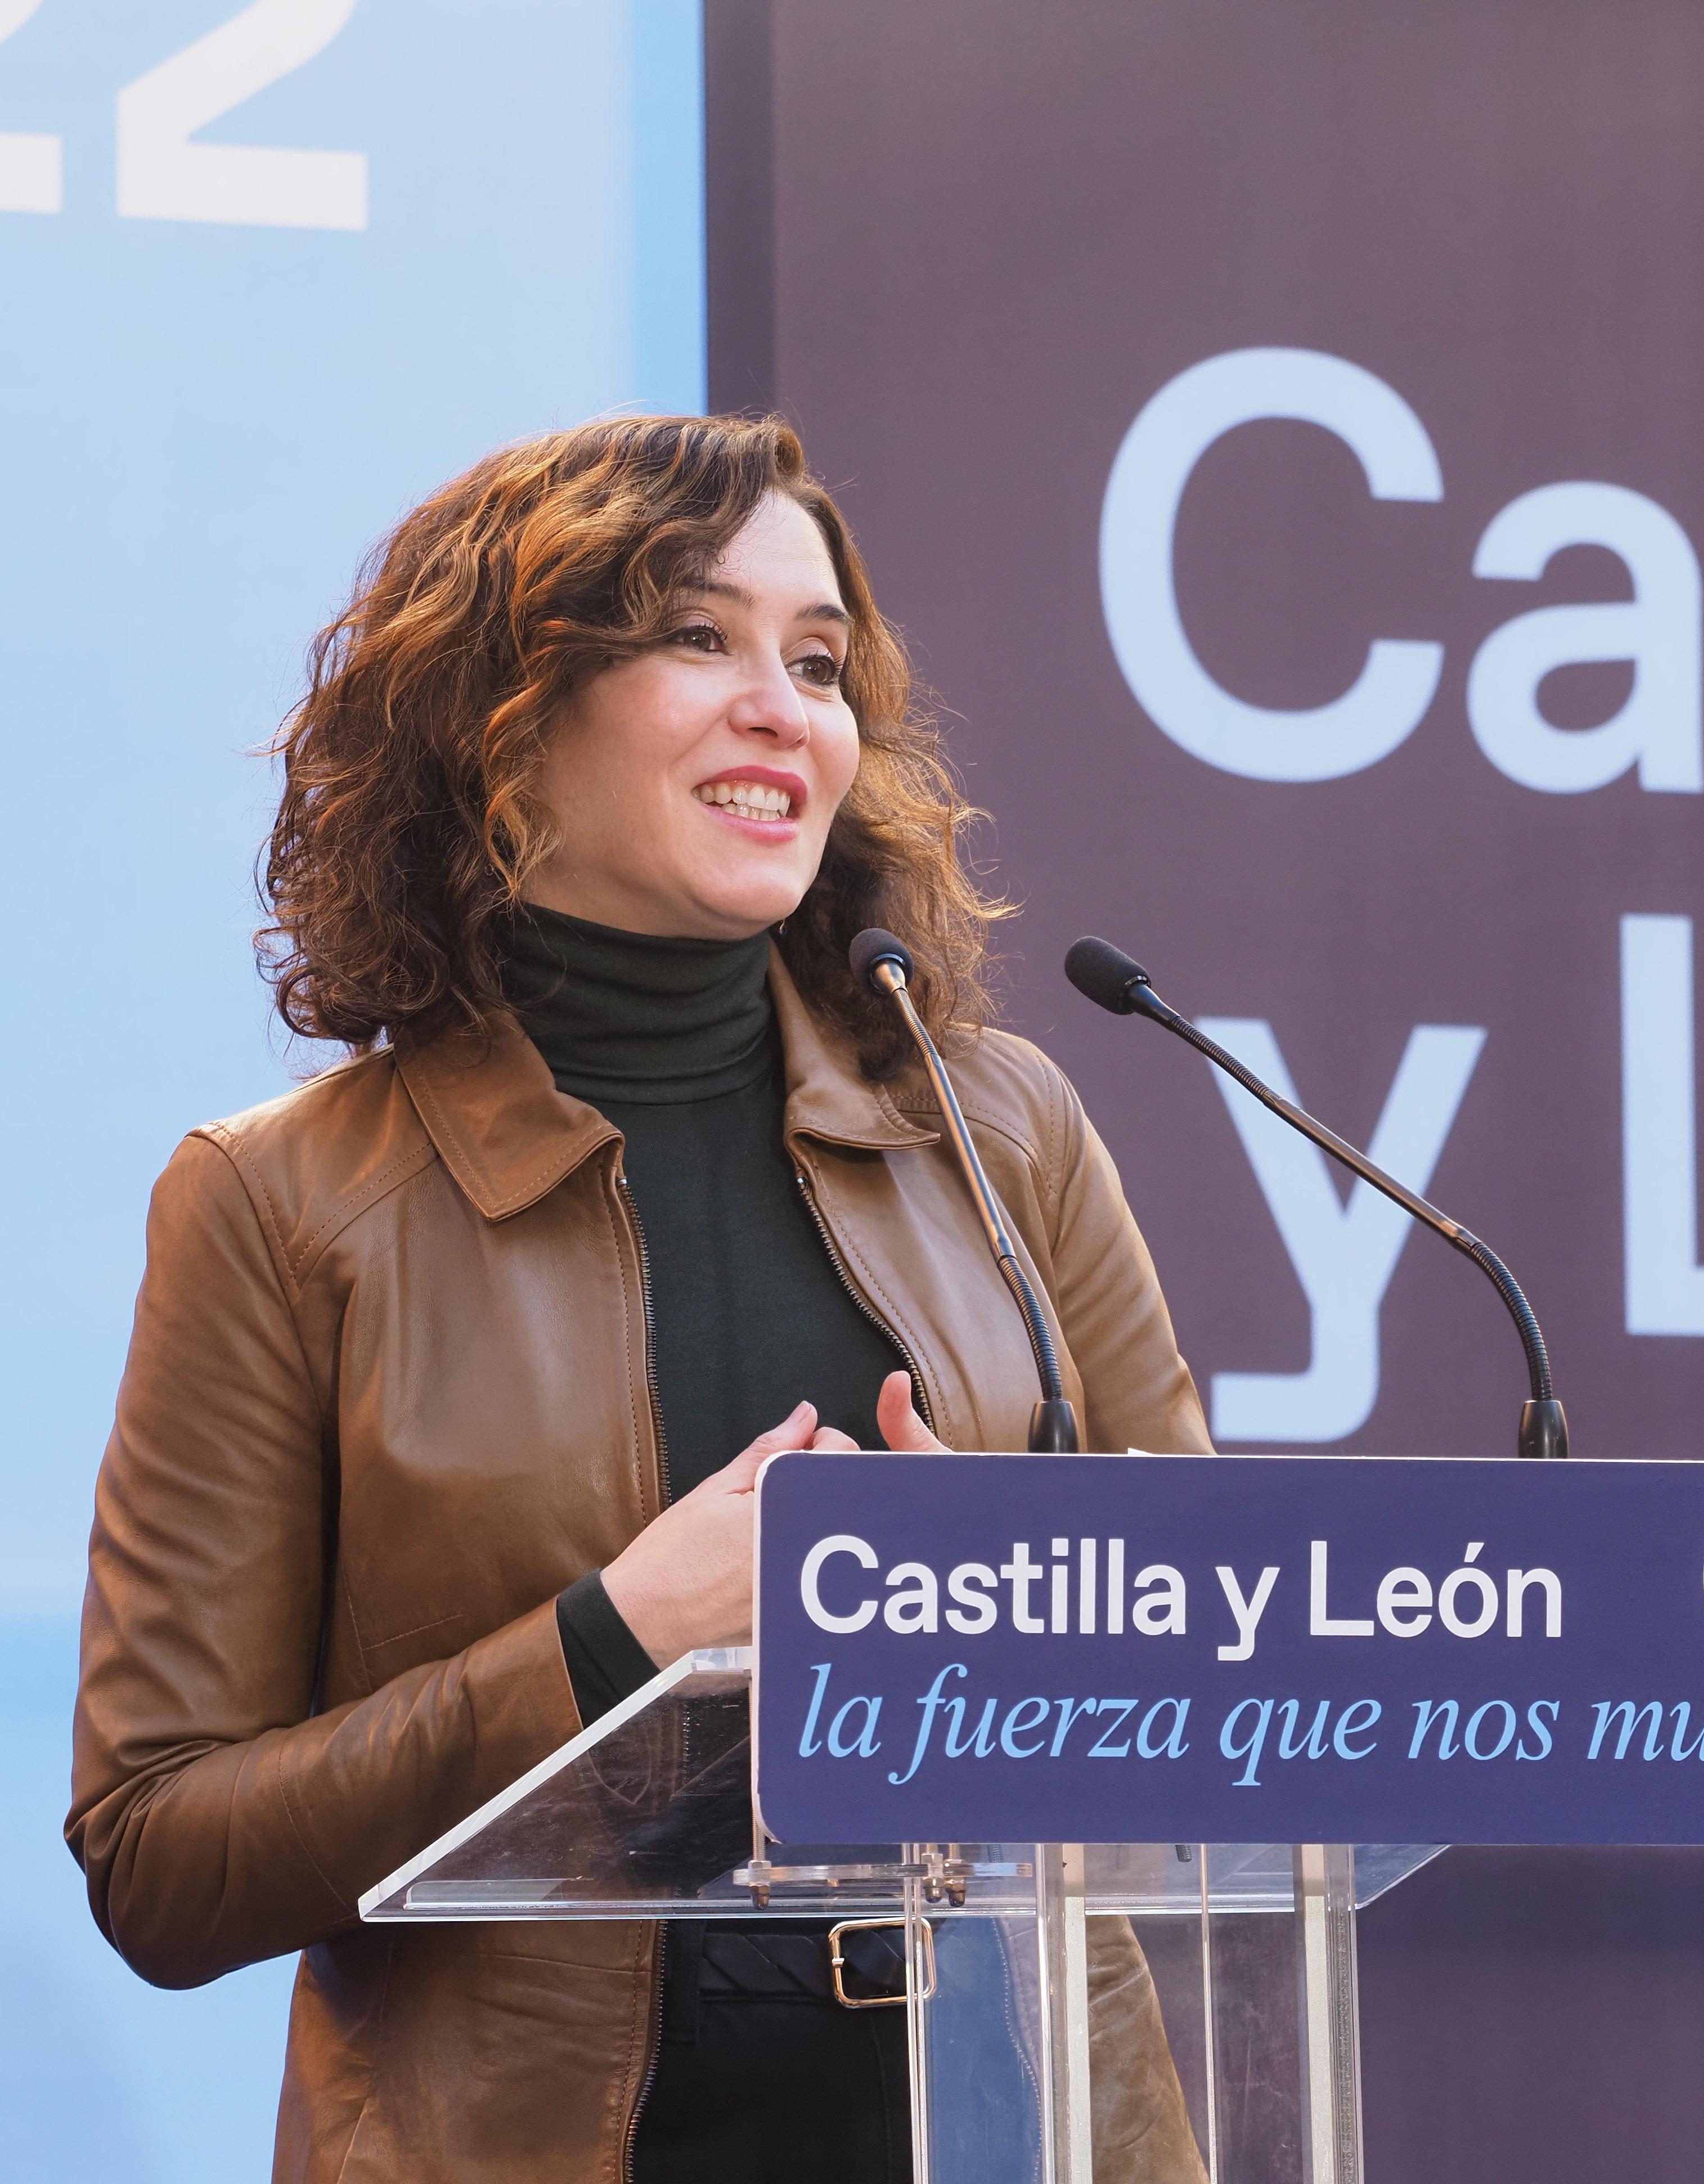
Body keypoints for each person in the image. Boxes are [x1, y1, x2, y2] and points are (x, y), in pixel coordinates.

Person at [67, 415, 1209, 2181]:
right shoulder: (284, 1207)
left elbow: (1230, 1673)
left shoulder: (997, 1132)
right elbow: (161, 1855)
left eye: (819, 663)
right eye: (699, 637)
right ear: (503, 723)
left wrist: (997, 1607)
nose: (786, 709)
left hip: (1010, 2121)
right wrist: (611, 1641)